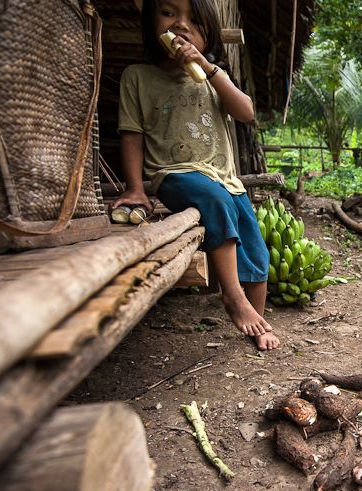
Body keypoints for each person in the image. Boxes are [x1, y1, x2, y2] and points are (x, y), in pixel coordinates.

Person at [112, 0, 279, 350]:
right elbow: (131, 135)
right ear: (151, 24)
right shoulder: (138, 77)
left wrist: (207, 68)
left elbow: (246, 112)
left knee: (257, 252)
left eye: (195, 21)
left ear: (210, 35)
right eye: (169, 14)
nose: (182, 26)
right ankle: (233, 299)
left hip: (226, 179)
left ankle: (258, 321)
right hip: (174, 174)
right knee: (213, 200)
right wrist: (135, 189)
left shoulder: (213, 79)